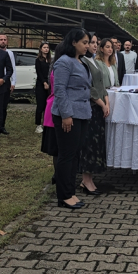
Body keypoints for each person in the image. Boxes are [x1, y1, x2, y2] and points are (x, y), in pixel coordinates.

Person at [51, 28, 92, 209]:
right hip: (68, 115)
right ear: (73, 42)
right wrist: (66, 115)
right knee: (66, 155)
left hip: (82, 114)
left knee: (75, 154)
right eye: (84, 42)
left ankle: (71, 191)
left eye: (88, 42)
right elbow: (59, 90)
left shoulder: (81, 62)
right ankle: (63, 195)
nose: (87, 46)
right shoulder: (64, 62)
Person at [80, 37, 116, 196]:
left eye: (94, 42)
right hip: (91, 107)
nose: (93, 45)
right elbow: (90, 88)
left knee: (97, 145)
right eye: (90, 43)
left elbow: (101, 85)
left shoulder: (93, 61)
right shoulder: (83, 62)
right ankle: (85, 180)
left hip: (99, 107)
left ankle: (89, 178)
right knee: (89, 145)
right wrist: (102, 104)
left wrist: (106, 101)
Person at [0, 34, 16, 136]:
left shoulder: (10, 53)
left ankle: (2, 126)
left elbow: (13, 68)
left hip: (6, 82)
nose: (3, 41)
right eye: (1, 39)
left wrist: (13, 82)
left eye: (5, 40)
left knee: (4, 106)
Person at [34, 42, 51, 134]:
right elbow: (39, 73)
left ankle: (46, 123)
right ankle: (38, 124)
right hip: (41, 85)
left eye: (47, 47)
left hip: (50, 85)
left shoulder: (50, 60)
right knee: (40, 105)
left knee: (47, 105)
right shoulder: (38, 60)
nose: (46, 49)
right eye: (44, 47)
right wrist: (44, 83)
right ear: (41, 49)